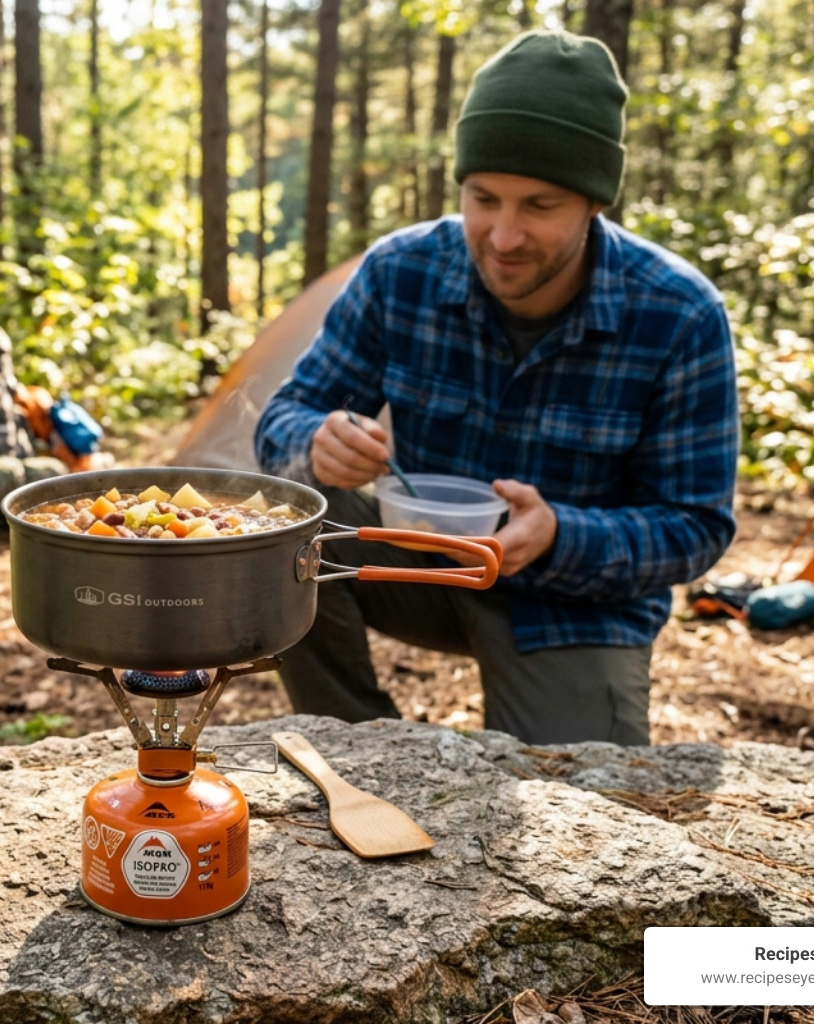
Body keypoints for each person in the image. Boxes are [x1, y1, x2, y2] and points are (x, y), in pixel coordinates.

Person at [254, 29, 739, 746]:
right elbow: (283, 421)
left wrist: (559, 535)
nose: (504, 236)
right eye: (484, 198)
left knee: (577, 804)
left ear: (595, 203)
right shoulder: (403, 271)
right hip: (416, 561)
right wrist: (315, 448)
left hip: (572, 603)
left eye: (540, 206)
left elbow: (697, 526)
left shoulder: (677, 314)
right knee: (277, 529)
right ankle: (354, 745)